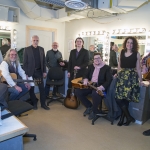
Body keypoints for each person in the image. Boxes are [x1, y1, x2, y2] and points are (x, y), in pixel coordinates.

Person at [115, 36, 143, 126]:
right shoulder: (122, 52)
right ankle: (129, 117)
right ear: (125, 43)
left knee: (126, 99)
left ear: (134, 44)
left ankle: (123, 118)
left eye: (131, 43)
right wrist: (117, 73)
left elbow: (138, 68)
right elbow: (119, 65)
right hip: (122, 76)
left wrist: (140, 80)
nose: (129, 44)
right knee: (118, 98)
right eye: (128, 42)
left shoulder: (137, 54)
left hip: (131, 77)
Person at [75, 53, 112, 120]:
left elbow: (109, 80)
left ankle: (94, 111)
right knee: (78, 91)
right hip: (91, 85)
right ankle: (89, 106)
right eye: (95, 58)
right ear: (93, 60)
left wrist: (101, 87)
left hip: (100, 87)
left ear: (101, 59)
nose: (97, 60)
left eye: (98, 58)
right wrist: (85, 79)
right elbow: (85, 75)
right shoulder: (90, 66)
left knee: (95, 94)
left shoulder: (107, 68)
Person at [23, 35, 50, 110]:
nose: (35, 42)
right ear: (31, 41)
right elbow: (25, 63)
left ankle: (43, 104)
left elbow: (44, 62)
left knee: (42, 89)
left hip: (39, 72)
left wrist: (44, 71)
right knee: (31, 89)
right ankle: (34, 104)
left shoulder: (41, 49)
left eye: (37, 40)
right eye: (34, 40)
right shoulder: (27, 49)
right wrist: (26, 74)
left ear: (38, 41)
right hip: (30, 72)